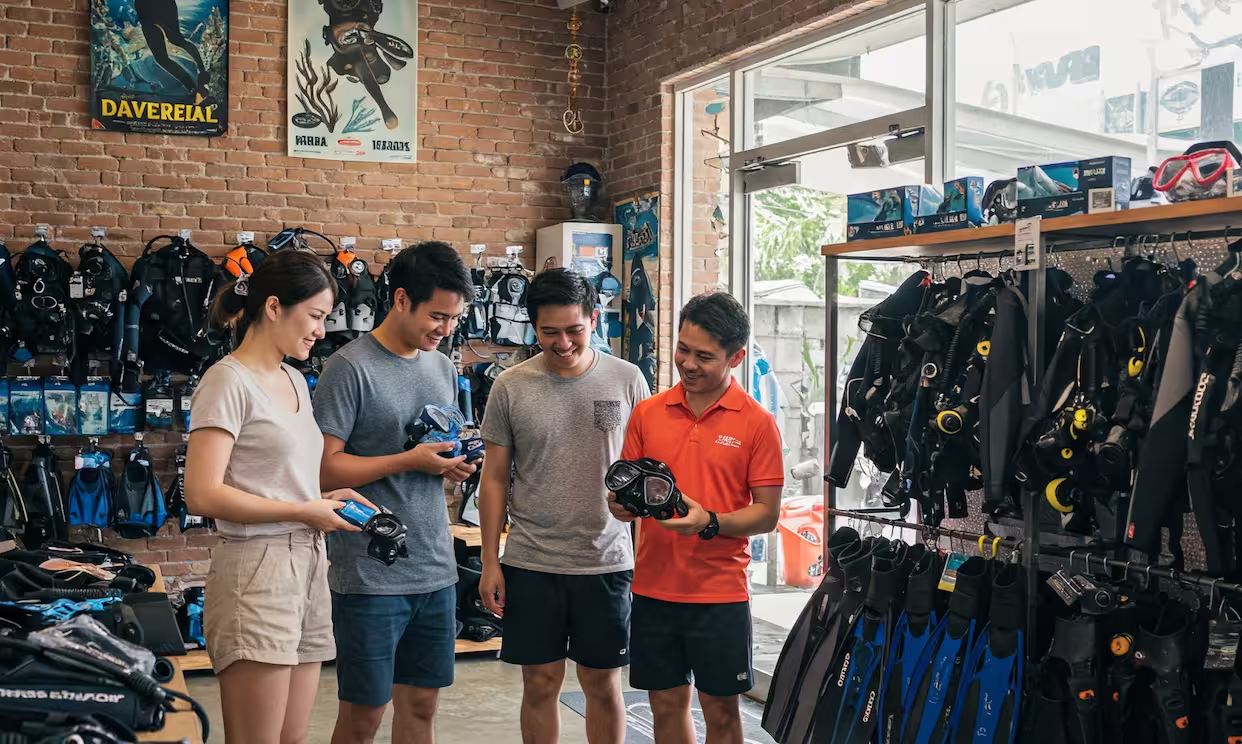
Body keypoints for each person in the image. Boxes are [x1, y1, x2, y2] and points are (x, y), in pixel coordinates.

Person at [184, 249, 371, 744]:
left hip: (308, 560)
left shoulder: (293, 378)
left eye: (325, 318)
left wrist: (324, 495)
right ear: (272, 308)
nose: (320, 330)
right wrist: (303, 509)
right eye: (313, 316)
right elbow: (201, 493)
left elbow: (276, 476)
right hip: (256, 570)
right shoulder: (227, 381)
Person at [312, 241, 479, 744]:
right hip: (369, 571)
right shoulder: (349, 367)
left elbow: (433, 450)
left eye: (453, 319)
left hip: (435, 566)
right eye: (437, 316)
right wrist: (409, 460)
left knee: (422, 710)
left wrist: (450, 466)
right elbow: (322, 472)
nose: (445, 330)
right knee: (364, 716)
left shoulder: (442, 367)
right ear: (401, 299)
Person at [478, 268, 650, 744]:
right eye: (550, 332)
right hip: (533, 561)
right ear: (534, 327)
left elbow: (649, 471)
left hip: (608, 562)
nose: (564, 342)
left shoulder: (627, 379)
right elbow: (493, 479)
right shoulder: (510, 386)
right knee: (540, 684)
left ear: (594, 319)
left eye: (574, 329)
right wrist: (491, 562)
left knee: (602, 684)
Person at [608, 292, 785, 744]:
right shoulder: (649, 411)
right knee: (665, 708)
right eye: (683, 349)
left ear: (737, 357)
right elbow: (626, 492)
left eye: (704, 356)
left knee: (722, 714)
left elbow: (766, 514)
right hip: (653, 589)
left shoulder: (757, 423)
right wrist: (621, 506)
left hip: (719, 595)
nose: (687, 363)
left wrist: (710, 522)